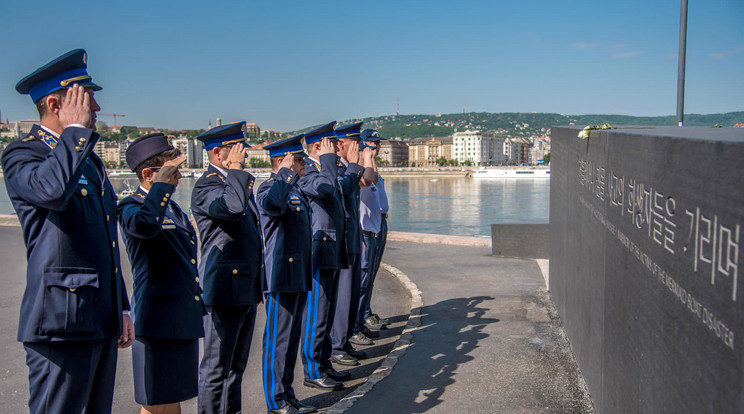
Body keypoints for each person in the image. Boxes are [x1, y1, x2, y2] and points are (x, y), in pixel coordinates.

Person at [2, 49, 133, 414]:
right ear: (56, 103)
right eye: (87, 99)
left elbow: (106, 241)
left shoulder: (86, 160)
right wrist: (74, 133)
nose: (96, 109)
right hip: (60, 322)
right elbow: (52, 192)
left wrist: (120, 306)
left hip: (98, 317)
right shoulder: (22, 154)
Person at [118, 133, 206, 414]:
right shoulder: (131, 206)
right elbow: (145, 227)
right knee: (156, 403)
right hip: (157, 320)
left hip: (179, 317)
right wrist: (160, 188)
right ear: (148, 173)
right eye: (173, 170)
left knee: (172, 399)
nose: (180, 176)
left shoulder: (172, 207)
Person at [191, 122, 264, 414]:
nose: (244, 155)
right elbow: (232, 209)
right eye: (239, 150)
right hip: (223, 290)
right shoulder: (206, 186)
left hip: (245, 289)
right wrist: (235, 168)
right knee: (216, 369)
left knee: (236, 369)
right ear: (219, 152)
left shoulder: (234, 183)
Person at [256, 135, 316, 414]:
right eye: (299, 159)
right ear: (283, 161)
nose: (303, 164)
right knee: (278, 340)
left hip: (298, 272)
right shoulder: (269, 187)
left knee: (292, 339)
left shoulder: (295, 189)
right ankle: (275, 400)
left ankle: (288, 394)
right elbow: (271, 207)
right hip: (279, 274)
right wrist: (284, 174)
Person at [297, 121, 355, 390]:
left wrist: (341, 163)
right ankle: (312, 369)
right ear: (319, 147)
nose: (336, 148)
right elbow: (326, 189)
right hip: (318, 250)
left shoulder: (325, 168)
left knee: (327, 312)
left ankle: (324, 362)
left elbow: (343, 189)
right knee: (316, 315)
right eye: (331, 144)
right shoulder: (308, 171)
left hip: (332, 247)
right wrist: (329, 159)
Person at [329, 122, 376, 364]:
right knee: (344, 296)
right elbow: (344, 193)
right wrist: (360, 161)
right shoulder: (338, 169)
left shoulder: (349, 167)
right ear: (341, 144)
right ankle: (336, 346)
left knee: (351, 294)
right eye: (354, 142)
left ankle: (344, 342)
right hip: (342, 243)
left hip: (353, 238)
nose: (358, 147)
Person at [354, 129, 390, 343]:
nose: (377, 147)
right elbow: (370, 181)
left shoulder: (372, 167)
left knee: (371, 276)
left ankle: (364, 315)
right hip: (366, 230)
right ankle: (360, 320)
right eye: (373, 144)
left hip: (378, 224)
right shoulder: (362, 169)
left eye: (378, 144)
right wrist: (367, 158)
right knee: (362, 279)